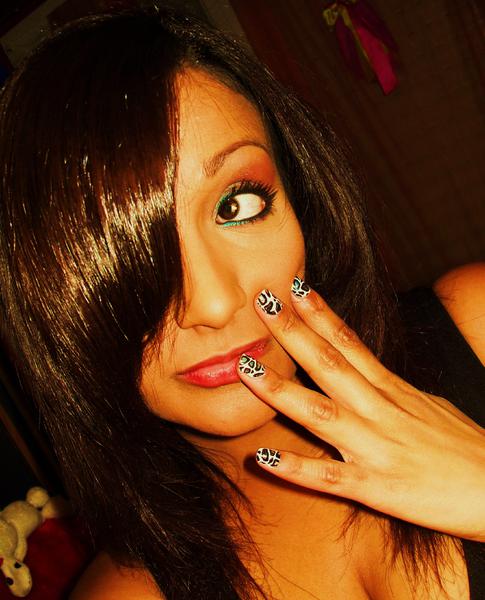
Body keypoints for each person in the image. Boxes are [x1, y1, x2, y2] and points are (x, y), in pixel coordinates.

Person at [0, 7, 483, 600]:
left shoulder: (477, 321)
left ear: (300, 201)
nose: (211, 303)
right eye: (126, 250)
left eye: (237, 205)